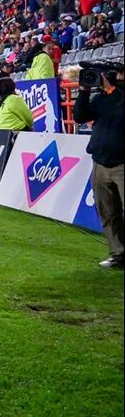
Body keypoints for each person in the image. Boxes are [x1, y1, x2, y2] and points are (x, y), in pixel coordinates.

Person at [73, 64, 125, 269]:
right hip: (100, 162)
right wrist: (84, 92)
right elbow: (79, 116)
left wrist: (112, 90)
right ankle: (118, 254)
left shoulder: (118, 97)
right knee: (107, 212)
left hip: (122, 163)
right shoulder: (101, 99)